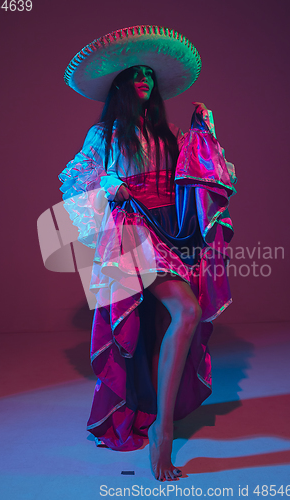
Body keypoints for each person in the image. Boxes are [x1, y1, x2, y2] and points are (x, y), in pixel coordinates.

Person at [59, 25, 237, 482]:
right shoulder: (104, 134)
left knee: (184, 315)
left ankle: (161, 422)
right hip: (129, 233)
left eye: (149, 73)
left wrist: (205, 136)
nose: (144, 78)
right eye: (135, 73)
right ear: (119, 83)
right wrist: (108, 186)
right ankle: (161, 429)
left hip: (168, 232)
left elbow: (195, 180)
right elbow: (79, 184)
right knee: (161, 321)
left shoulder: (170, 133)